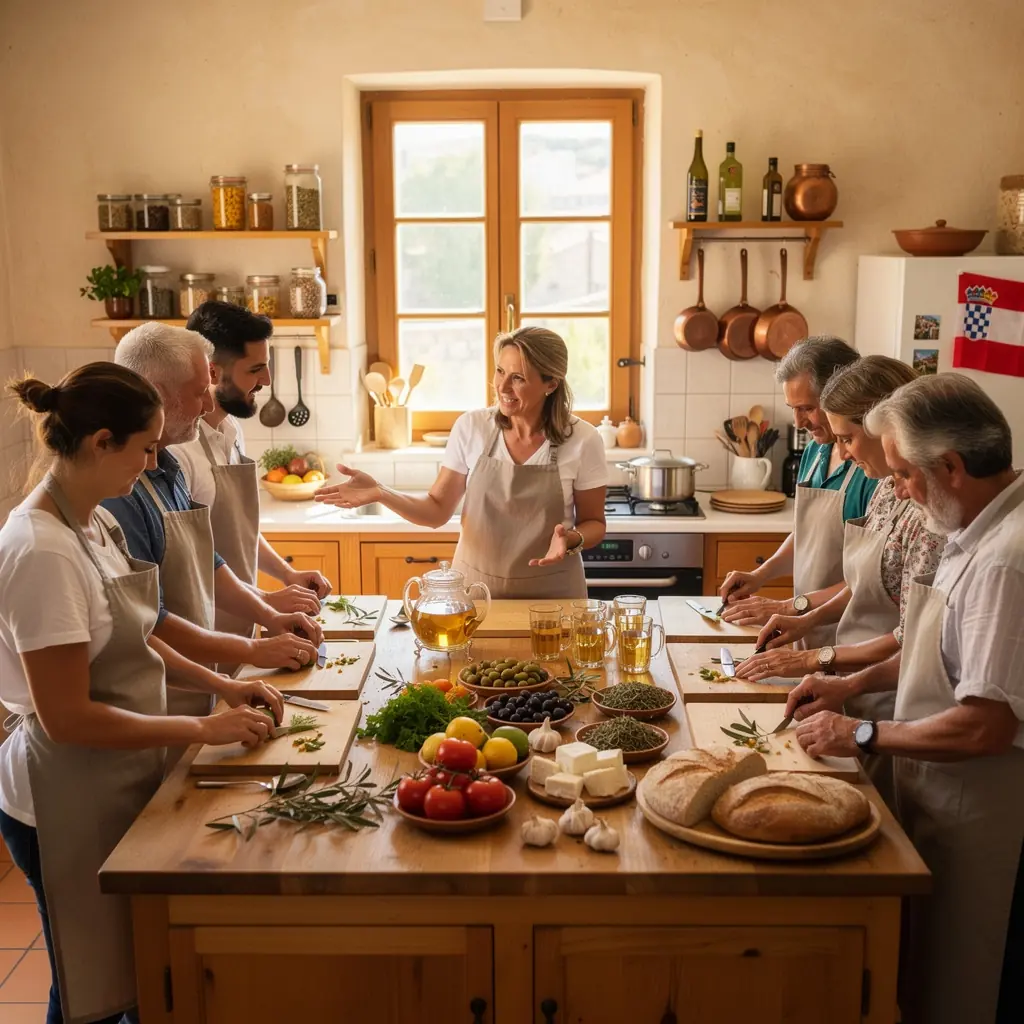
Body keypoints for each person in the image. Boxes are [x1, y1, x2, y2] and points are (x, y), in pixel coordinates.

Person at [0, 364, 282, 1024]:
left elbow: (141, 631)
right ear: (102, 442)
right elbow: (67, 718)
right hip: (60, 797)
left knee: (133, 970)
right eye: (146, 449)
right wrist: (201, 730)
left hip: (108, 776)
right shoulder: (41, 552)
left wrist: (224, 686)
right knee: (89, 987)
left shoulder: (93, 523)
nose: (154, 463)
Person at [782, 373, 1024, 1024]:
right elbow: (933, 652)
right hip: (936, 794)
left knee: (960, 988)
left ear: (951, 466)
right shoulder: (971, 525)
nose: (897, 489)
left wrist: (860, 732)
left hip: (977, 813)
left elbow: (985, 727)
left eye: (905, 474)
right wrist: (848, 685)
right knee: (914, 979)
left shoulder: (1006, 559)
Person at [735, 357, 944, 800]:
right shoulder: (888, 489)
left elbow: (910, 636)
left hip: (889, 696)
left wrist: (818, 656)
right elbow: (865, 580)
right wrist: (805, 620)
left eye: (848, 438)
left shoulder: (929, 513)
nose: (844, 452)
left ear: (886, 426)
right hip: (851, 682)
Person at [101, 324, 322, 720]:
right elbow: (150, 623)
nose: (207, 405)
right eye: (199, 391)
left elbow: (207, 560)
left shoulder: (166, 466)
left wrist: (270, 616)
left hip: (195, 687)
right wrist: (253, 648)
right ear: (155, 393)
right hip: (155, 705)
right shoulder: (119, 493)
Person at [315, 327, 608, 597]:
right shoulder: (472, 427)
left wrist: (571, 539)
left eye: (518, 378)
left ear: (551, 383)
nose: (503, 387)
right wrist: (381, 492)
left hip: (554, 597)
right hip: (477, 594)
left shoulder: (583, 440)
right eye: (500, 371)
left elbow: (594, 523)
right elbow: (436, 510)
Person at [170, 302, 331, 644]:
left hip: (243, 624)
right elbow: (189, 563)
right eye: (256, 369)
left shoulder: (231, 429)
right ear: (212, 371)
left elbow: (238, 530)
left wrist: (286, 574)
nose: (266, 380)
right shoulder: (178, 452)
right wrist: (268, 602)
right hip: (200, 633)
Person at [719, 337, 878, 648]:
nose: (798, 422)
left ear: (841, 394)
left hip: (851, 640)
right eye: (793, 408)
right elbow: (806, 534)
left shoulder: (872, 470)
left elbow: (870, 579)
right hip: (804, 631)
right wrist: (761, 574)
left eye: (807, 408)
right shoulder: (815, 453)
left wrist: (787, 606)